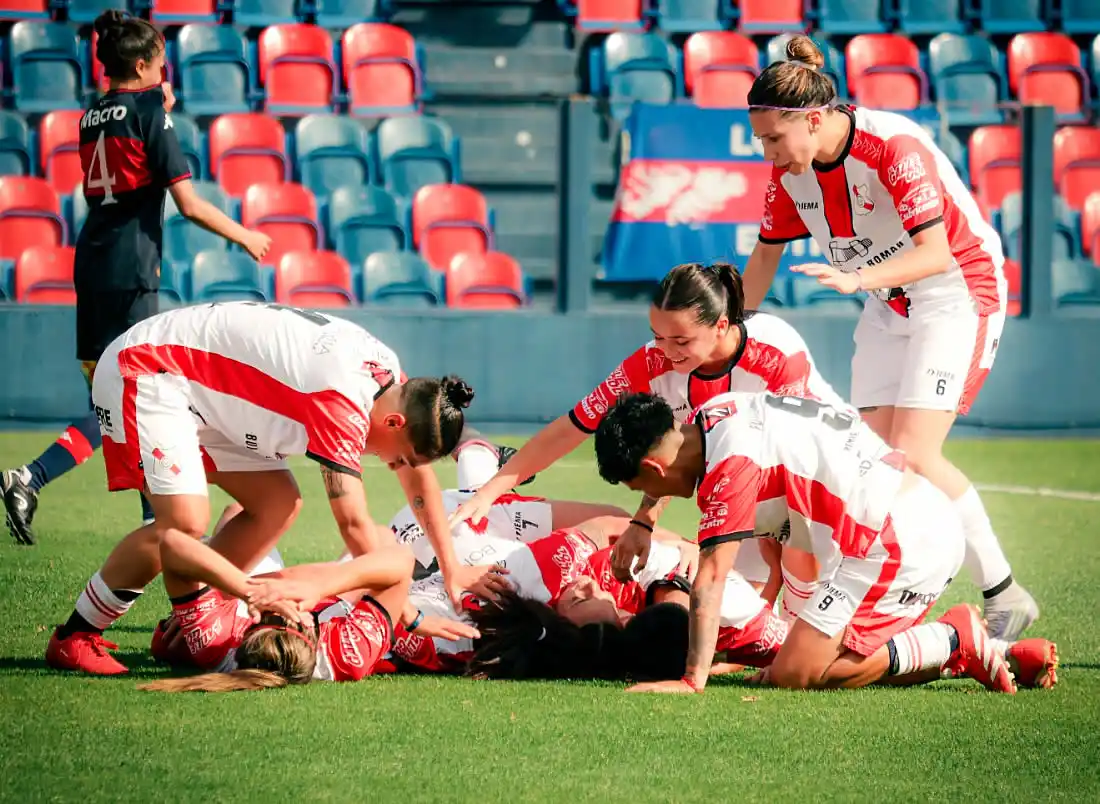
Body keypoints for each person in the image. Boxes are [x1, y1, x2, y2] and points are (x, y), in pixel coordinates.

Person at [736, 34, 1037, 641]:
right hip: (883, 301)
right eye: (761, 140)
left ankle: (1005, 595)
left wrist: (856, 277)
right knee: (869, 462)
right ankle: (877, 591)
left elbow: (934, 252)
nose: (768, 153)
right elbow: (764, 258)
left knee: (917, 453)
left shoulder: (892, 147)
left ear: (813, 118)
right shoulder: (790, 175)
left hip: (957, 293)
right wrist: (732, 327)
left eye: (773, 138)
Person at [44, 302, 480, 675]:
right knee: (182, 523)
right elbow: (354, 525)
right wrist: (403, 610)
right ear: (395, 423)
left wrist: (451, 565)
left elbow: (417, 477)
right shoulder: (343, 400)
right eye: (398, 456)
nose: (394, 467)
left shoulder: (391, 381)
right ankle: (77, 635)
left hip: (199, 387)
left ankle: (198, 612)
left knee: (277, 503)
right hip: (152, 369)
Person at [0, 10, 271, 546]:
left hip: (92, 265)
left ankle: (121, 507)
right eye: (162, 65)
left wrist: (153, 106)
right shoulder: (151, 111)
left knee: (118, 404)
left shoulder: (91, 115)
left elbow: (126, 139)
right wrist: (244, 235)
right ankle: (57, 486)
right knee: (135, 399)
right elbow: (187, 203)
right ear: (145, 63)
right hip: (130, 270)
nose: (167, 75)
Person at [449, 261, 845, 608]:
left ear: (721, 324)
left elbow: (792, 462)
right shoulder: (652, 361)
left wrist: (773, 560)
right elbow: (574, 427)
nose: (667, 351)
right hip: (743, 489)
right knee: (738, 610)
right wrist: (490, 492)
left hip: (825, 480)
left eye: (681, 340)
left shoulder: (776, 354)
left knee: (798, 600)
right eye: (658, 335)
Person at [593, 391, 1016, 695]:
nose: (645, 494)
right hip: (888, 527)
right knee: (789, 665)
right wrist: (643, 521)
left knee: (797, 674)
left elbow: (711, 578)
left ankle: (952, 639)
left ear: (652, 465)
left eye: (640, 486)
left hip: (897, 543)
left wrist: (692, 679)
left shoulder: (730, 466)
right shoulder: (711, 416)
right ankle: (978, 649)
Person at [139, 532, 417, 691]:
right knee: (380, 537)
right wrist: (319, 589)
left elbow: (172, 543)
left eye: (272, 612)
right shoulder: (345, 654)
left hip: (239, 591)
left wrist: (245, 592)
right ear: (312, 626)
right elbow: (403, 558)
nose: (289, 605)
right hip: (322, 593)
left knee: (239, 513)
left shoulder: (219, 641)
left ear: (249, 626)